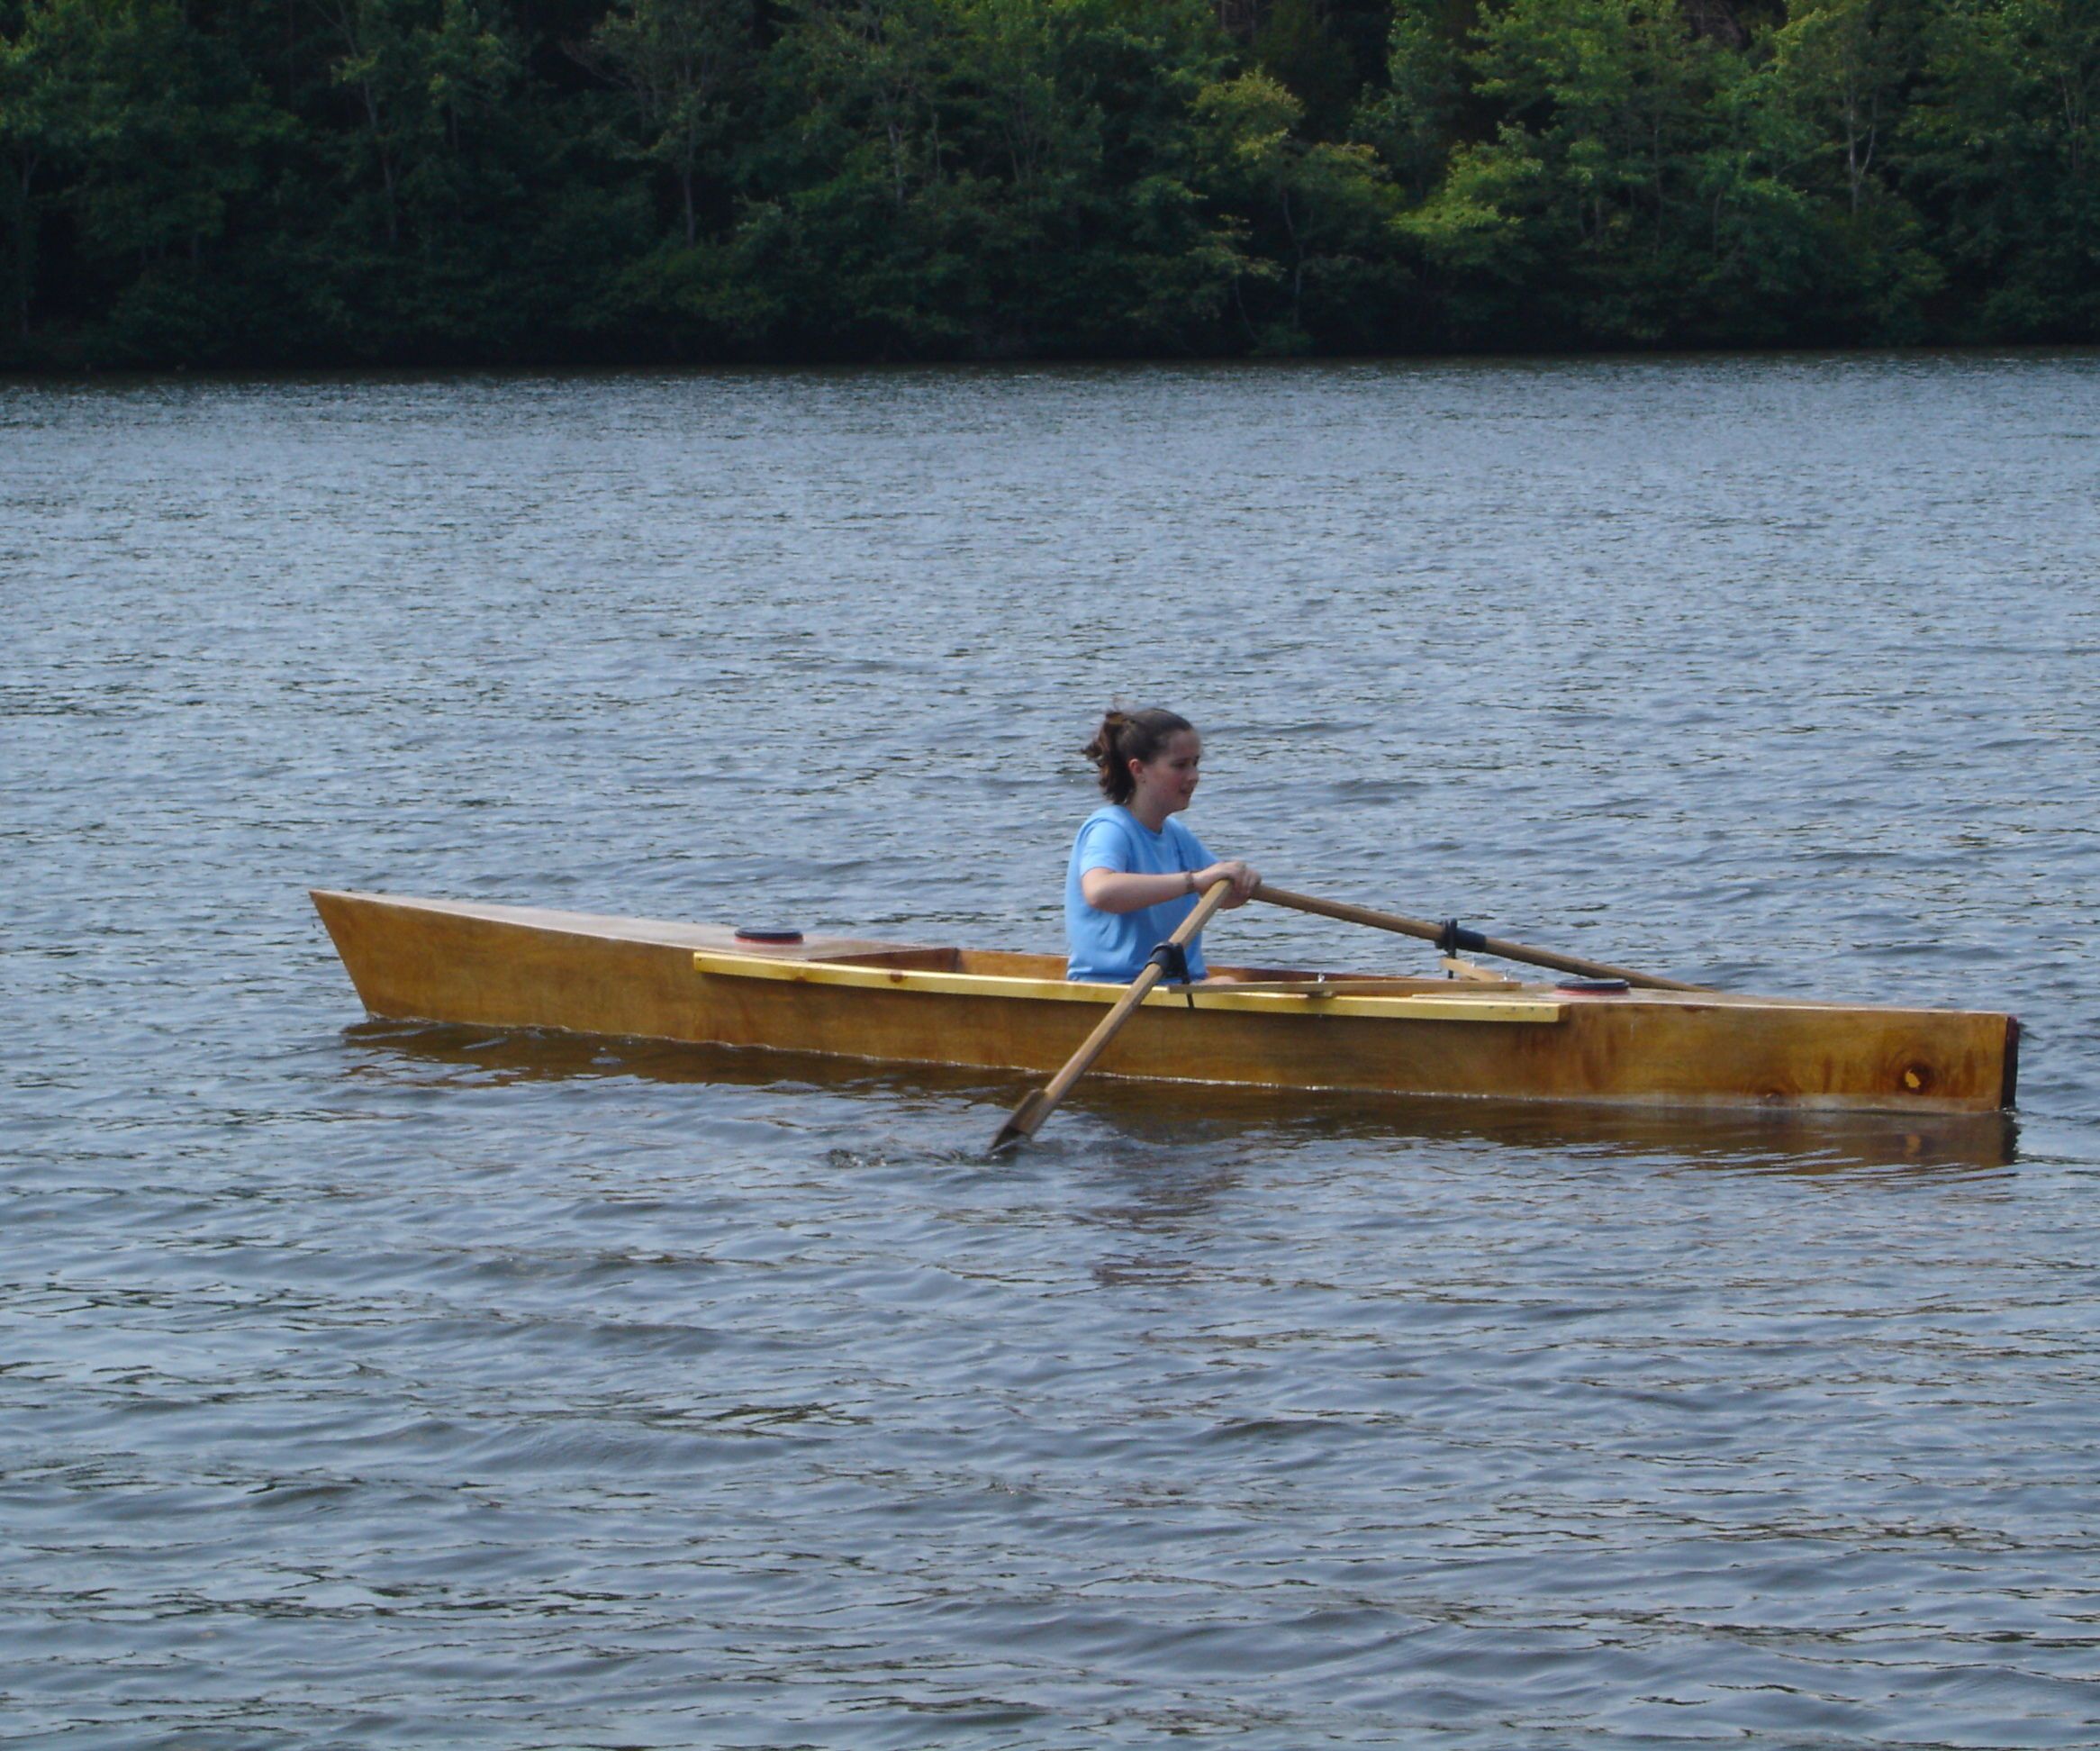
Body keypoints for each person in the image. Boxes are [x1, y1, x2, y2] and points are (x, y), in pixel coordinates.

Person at [1064, 707, 1260, 984]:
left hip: (1174, 986)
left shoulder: (1178, 836)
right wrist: (1194, 881)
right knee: (1228, 986)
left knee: (1230, 984)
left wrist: (1242, 880)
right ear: (1138, 769)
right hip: (1115, 988)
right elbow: (1100, 892)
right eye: (1180, 765)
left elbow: (1224, 895)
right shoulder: (1110, 828)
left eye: (1196, 763)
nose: (1193, 776)